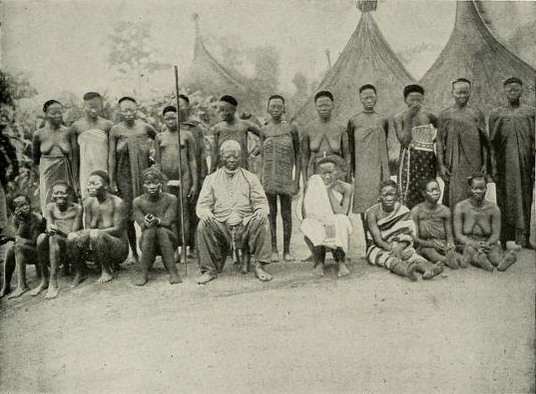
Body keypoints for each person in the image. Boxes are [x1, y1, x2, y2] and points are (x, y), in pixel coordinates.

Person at [196, 140, 272, 284]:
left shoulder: (251, 178)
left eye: (235, 157)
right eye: (228, 156)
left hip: (245, 224)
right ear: (221, 157)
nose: (231, 160)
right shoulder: (211, 179)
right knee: (203, 225)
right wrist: (205, 212)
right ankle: (209, 270)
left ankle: (260, 266)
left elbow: (261, 202)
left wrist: (261, 210)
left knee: (263, 221)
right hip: (222, 225)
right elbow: (203, 204)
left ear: (241, 157)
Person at [108, 96, 156, 264]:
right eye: (125, 110)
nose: (128, 113)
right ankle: (134, 253)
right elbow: (112, 157)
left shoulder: (145, 127)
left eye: (132, 110)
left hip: (143, 176)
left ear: (137, 109)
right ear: (120, 111)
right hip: (124, 178)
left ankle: (148, 250)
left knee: (147, 210)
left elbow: (160, 141)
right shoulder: (115, 130)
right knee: (128, 215)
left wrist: (154, 162)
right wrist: (112, 179)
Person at [489, 77, 535, 248]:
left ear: (522, 90)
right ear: (504, 91)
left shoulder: (531, 113)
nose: (512, 92)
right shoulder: (496, 114)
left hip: (525, 164)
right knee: (504, 199)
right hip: (504, 166)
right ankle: (504, 238)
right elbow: (492, 143)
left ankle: (524, 238)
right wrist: (493, 166)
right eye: (509, 89)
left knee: (526, 197)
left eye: (516, 89)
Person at [365, 180, 443, 281]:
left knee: (413, 256)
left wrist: (400, 248)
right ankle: (407, 272)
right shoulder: (372, 213)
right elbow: (377, 240)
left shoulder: (403, 210)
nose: (389, 198)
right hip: (381, 247)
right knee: (389, 259)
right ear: (379, 196)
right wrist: (395, 251)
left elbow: (408, 235)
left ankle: (428, 270)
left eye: (392, 194)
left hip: (401, 244)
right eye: (385, 195)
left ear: (397, 196)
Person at [259, 95, 301, 262]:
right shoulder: (264, 130)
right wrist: (261, 178)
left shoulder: (292, 129)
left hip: (285, 177)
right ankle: (274, 249)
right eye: (273, 107)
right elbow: (262, 157)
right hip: (269, 177)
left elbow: (298, 155)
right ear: (268, 109)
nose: (275, 109)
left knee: (286, 213)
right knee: (271, 213)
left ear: (284, 109)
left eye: (279, 106)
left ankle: (287, 251)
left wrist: (296, 180)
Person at [68, 171, 129, 285]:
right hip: (96, 243)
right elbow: (87, 229)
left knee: (96, 234)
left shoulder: (118, 203)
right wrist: (81, 235)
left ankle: (106, 271)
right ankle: (80, 272)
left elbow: (118, 229)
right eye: (89, 184)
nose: (89, 187)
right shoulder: (89, 203)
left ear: (105, 186)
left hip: (118, 248)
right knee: (72, 237)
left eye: (94, 184)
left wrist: (93, 232)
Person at [437, 78, 489, 208]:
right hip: (453, 164)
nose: (462, 96)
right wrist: (441, 165)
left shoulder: (476, 114)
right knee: (454, 197)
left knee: (474, 193)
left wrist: (485, 164)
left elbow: (484, 142)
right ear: (452, 93)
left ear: (470, 92)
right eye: (459, 93)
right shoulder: (445, 115)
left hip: (474, 162)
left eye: (465, 92)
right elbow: (439, 142)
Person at [154, 106, 198, 258]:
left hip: (184, 177)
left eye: (174, 118)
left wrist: (194, 183)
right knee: (170, 214)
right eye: (168, 118)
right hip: (166, 179)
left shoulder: (187, 135)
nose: (171, 121)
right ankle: (174, 249)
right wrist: (159, 181)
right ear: (163, 120)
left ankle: (185, 250)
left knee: (184, 213)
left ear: (179, 118)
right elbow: (158, 163)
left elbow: (192, 160)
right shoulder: (160, 137)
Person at [300, 155, 353, 278]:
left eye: (330, 172)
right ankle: (319, 262)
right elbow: (305, 211)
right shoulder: (313, 183)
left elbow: (342, 212)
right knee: (310, 224)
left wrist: (328, 191)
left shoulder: (346, 188)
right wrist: (319, 220)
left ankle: (341, 262)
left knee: (341, 221)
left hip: (336, 220)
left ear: (338, 172)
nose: (327, 176)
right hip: (319, 220)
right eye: (323, 173)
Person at [453, 172, 517, 272]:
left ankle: (501, 261)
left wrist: (488, 243)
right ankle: (483, 261)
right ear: (469, 188)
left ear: (486, 188)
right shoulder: (460, 207)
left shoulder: (493, 209)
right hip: (467, 243)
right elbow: (458, 235)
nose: (478, 191)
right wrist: (473, 243)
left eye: (481, 188)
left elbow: (495, 235)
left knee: (495, 257)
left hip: (487, 244)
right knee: (470, 251)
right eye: (475, 188)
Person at [32, 182, 82, 299]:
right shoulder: (50, 207)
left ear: (69, 195)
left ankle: (54, 282)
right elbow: (49, 224)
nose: (59, 196)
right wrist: (49, 228)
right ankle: (45, 280)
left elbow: (72, 233)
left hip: (72, 242)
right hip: (56, 241)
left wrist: (56, 230)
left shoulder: (77, 208)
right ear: (52, 196)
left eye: (62, 193)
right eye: (56, 193)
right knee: (41, 238)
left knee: (55, 238)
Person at [347, 84, 390, 220]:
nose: (369, 100)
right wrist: (353, 171)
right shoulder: (354, 121)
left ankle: (378, 240)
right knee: (364, 206)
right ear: (360, 99)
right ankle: (367, 240)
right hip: (362, 169)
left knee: (380, 204)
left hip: (378, 168)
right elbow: (351, 148)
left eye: (372, 97)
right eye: (365, 97)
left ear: (376, 97)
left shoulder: (382, 120)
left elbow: (384, 143)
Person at [132, 168, 182, 286]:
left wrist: (157, 220)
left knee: (161, 231)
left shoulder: (171, 198)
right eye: (148, 183)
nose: (152, 186)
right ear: (143, 185)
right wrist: (146, 222)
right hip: (147, 242)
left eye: (155, 182)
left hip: (169, 240)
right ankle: (143, 274)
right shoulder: (137, 202)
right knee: (150, 231)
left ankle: (173, 272)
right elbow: (142, 225)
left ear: (161, 183)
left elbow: (168, 221)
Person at [395, 84, 439, 209]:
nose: (415, 103)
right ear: (405, 100)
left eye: (418, 100)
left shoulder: (429, 116)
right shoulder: (398, 117)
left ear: (423, 99)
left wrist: (431, 139)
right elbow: (404, 141)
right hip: (409, 158)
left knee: (427, 189)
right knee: (408, 191)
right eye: (411, 100)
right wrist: (409, 118)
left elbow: (441, 129)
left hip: (427, 157)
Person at [32, 100, 78, 210]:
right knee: (48, 202)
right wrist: (36, 181)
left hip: (65, 173)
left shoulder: (68, 132)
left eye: (60, 112)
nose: (57, 115)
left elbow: (75, 159)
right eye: (53, 113)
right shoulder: (39, 134)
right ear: (45, 114)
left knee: (66, 201)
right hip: (47, 175)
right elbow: (35, 160)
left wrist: (76, 181)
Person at [0, 195, 46, 298]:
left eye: (26, 204)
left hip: (41, 253)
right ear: (14, 211)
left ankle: (22, 285)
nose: (25, 207)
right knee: (11, 249)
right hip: (29, 250)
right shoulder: (18, 219)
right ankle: (6, 286)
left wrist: (15, 239)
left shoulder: (36, 218)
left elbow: (35, 241)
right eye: (20, 206)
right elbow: (18, 238)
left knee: (17, 247)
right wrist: (21, 223)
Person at [411, 179, 463, 269]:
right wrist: (431, 244)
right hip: (425, 244)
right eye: (432, 191)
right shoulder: (416, 211)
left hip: (442, 243)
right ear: (423, 193)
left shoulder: (445, 210)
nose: (436, 193)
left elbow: (449, 235)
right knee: (429, 251)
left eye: (438, 190)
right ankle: (446, 261)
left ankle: (459, 259)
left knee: (451, 252)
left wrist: (450, 244)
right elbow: (415, 238)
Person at [71, 92, 113, 200]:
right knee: (88, 199)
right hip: (85, 170)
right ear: (84, 106)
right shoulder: (77, 126)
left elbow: (112, 154)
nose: (94, 110)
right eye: (90, 107)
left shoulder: (107, 125)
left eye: (97, 107)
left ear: (101, 106)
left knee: (105, 200)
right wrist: (75, 181)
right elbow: (75, 157)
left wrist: (112, 178)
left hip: (103, 168)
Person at [301, 91, 350, 182]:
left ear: (332, 106)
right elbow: (304, 157)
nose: (324, 109)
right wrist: (304, 179)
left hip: (337, 172)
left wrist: (348, 178)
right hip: (315, 171)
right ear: (316, 107)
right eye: (320, 106)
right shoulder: (308, 129)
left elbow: (347, 155)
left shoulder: (341, 129)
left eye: (327, 105)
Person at [209, 95, 261, 173]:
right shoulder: (218, 128)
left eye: (226, 110)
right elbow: (215, 154)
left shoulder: (245, 125)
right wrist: (211, 173)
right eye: (221, 110)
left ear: (234, 110)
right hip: (223, 170)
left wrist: (254, 154)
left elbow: (265, 136)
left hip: (242, 169)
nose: (223, 113)